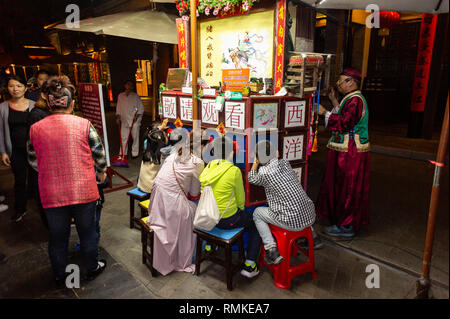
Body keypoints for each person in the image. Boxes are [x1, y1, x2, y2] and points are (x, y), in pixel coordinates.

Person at [27, 76, 108, 286]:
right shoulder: (84, 124)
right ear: (72, 104)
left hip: (51, 192)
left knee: (57, 236)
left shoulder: (36, 128)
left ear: (49, 103)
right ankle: (91, 267)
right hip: (83, 190)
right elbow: (99, 154)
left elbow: (33, 159)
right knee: (88, 232)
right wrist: (101, 174)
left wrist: (51, 169)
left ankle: (61, 274)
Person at [317, 68, 370, 237]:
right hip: (345, 149)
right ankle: (339, 220)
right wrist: (333, 100)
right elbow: (343, 113)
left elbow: (345, 123)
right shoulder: (351, 98)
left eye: (341, 81)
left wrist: (324, 113)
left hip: (351, 151)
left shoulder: (355, 100)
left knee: (347, 188)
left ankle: (346, 225)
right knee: (339, 185)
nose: (338, 84)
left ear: (351, 82)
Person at [199, 136, 261, 278]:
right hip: (226, 220)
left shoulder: (208, 167)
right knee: (257, 222)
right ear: (232, 153)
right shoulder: (234, 171)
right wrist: (241, 211)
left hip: (208, 217)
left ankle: (209, 245)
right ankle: (250, 264)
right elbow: (241, 200)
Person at [248, 141, 317, 265]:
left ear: (258, 158)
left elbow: (251, 178)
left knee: (257, 213)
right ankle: (314, 237)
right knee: (298, 202)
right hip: (310, 215)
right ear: (277, 153)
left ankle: (271, 249)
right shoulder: (285, 163)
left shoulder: (264, 172)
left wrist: (255, 163)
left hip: (291, 221)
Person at [146, 132, 204, 276]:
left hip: (157, 199)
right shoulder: (197, 162)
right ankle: (186, 255)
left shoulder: (172, 155)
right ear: (201, 147)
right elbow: (195, 192)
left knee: (187, 211)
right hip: (173, 203)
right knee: (194, 214)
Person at [0, 75, 35, 222]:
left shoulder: (34, 105)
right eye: (11, 86)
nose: (15, 89)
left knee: (36, 180)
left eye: (19, 86)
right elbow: (0, 131)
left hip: (34, 150)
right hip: (15, 150)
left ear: (25, 88)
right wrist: (3, 152)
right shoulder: (2, 107)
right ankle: (20, 209)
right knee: (19, 181)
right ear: (7, 88)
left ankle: (44, 208)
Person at [115, 80, 144, 159]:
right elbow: (118, 108)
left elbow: (141, 108)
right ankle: (123, 154)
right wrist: (118, 117)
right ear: (125, 85)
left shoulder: (135, 96)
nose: (129, 86)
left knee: (135, 137)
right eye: (128, 84)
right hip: (124, 120)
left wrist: (137, 116)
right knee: (123, 137)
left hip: (134, 120)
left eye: (131, 85)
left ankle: (135, 153)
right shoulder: (120, 96)